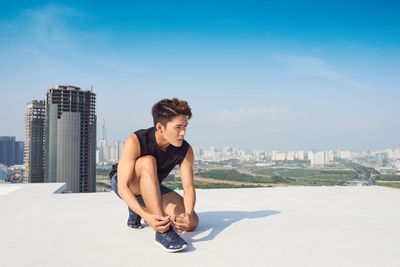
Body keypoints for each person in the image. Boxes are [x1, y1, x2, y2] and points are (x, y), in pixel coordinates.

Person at [110, 98, 199, 253]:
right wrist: (148, 217)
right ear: (160, 127)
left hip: (152, 186)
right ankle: (162, 232)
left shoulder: (185, 150)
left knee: (192, 223)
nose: (183, 133)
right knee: (147, 162)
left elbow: (189, 187)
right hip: (125, 184)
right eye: (178, 127)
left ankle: (138, 210)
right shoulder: (136, 140)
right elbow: (123, 187)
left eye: (185, 126)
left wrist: (189, 214)